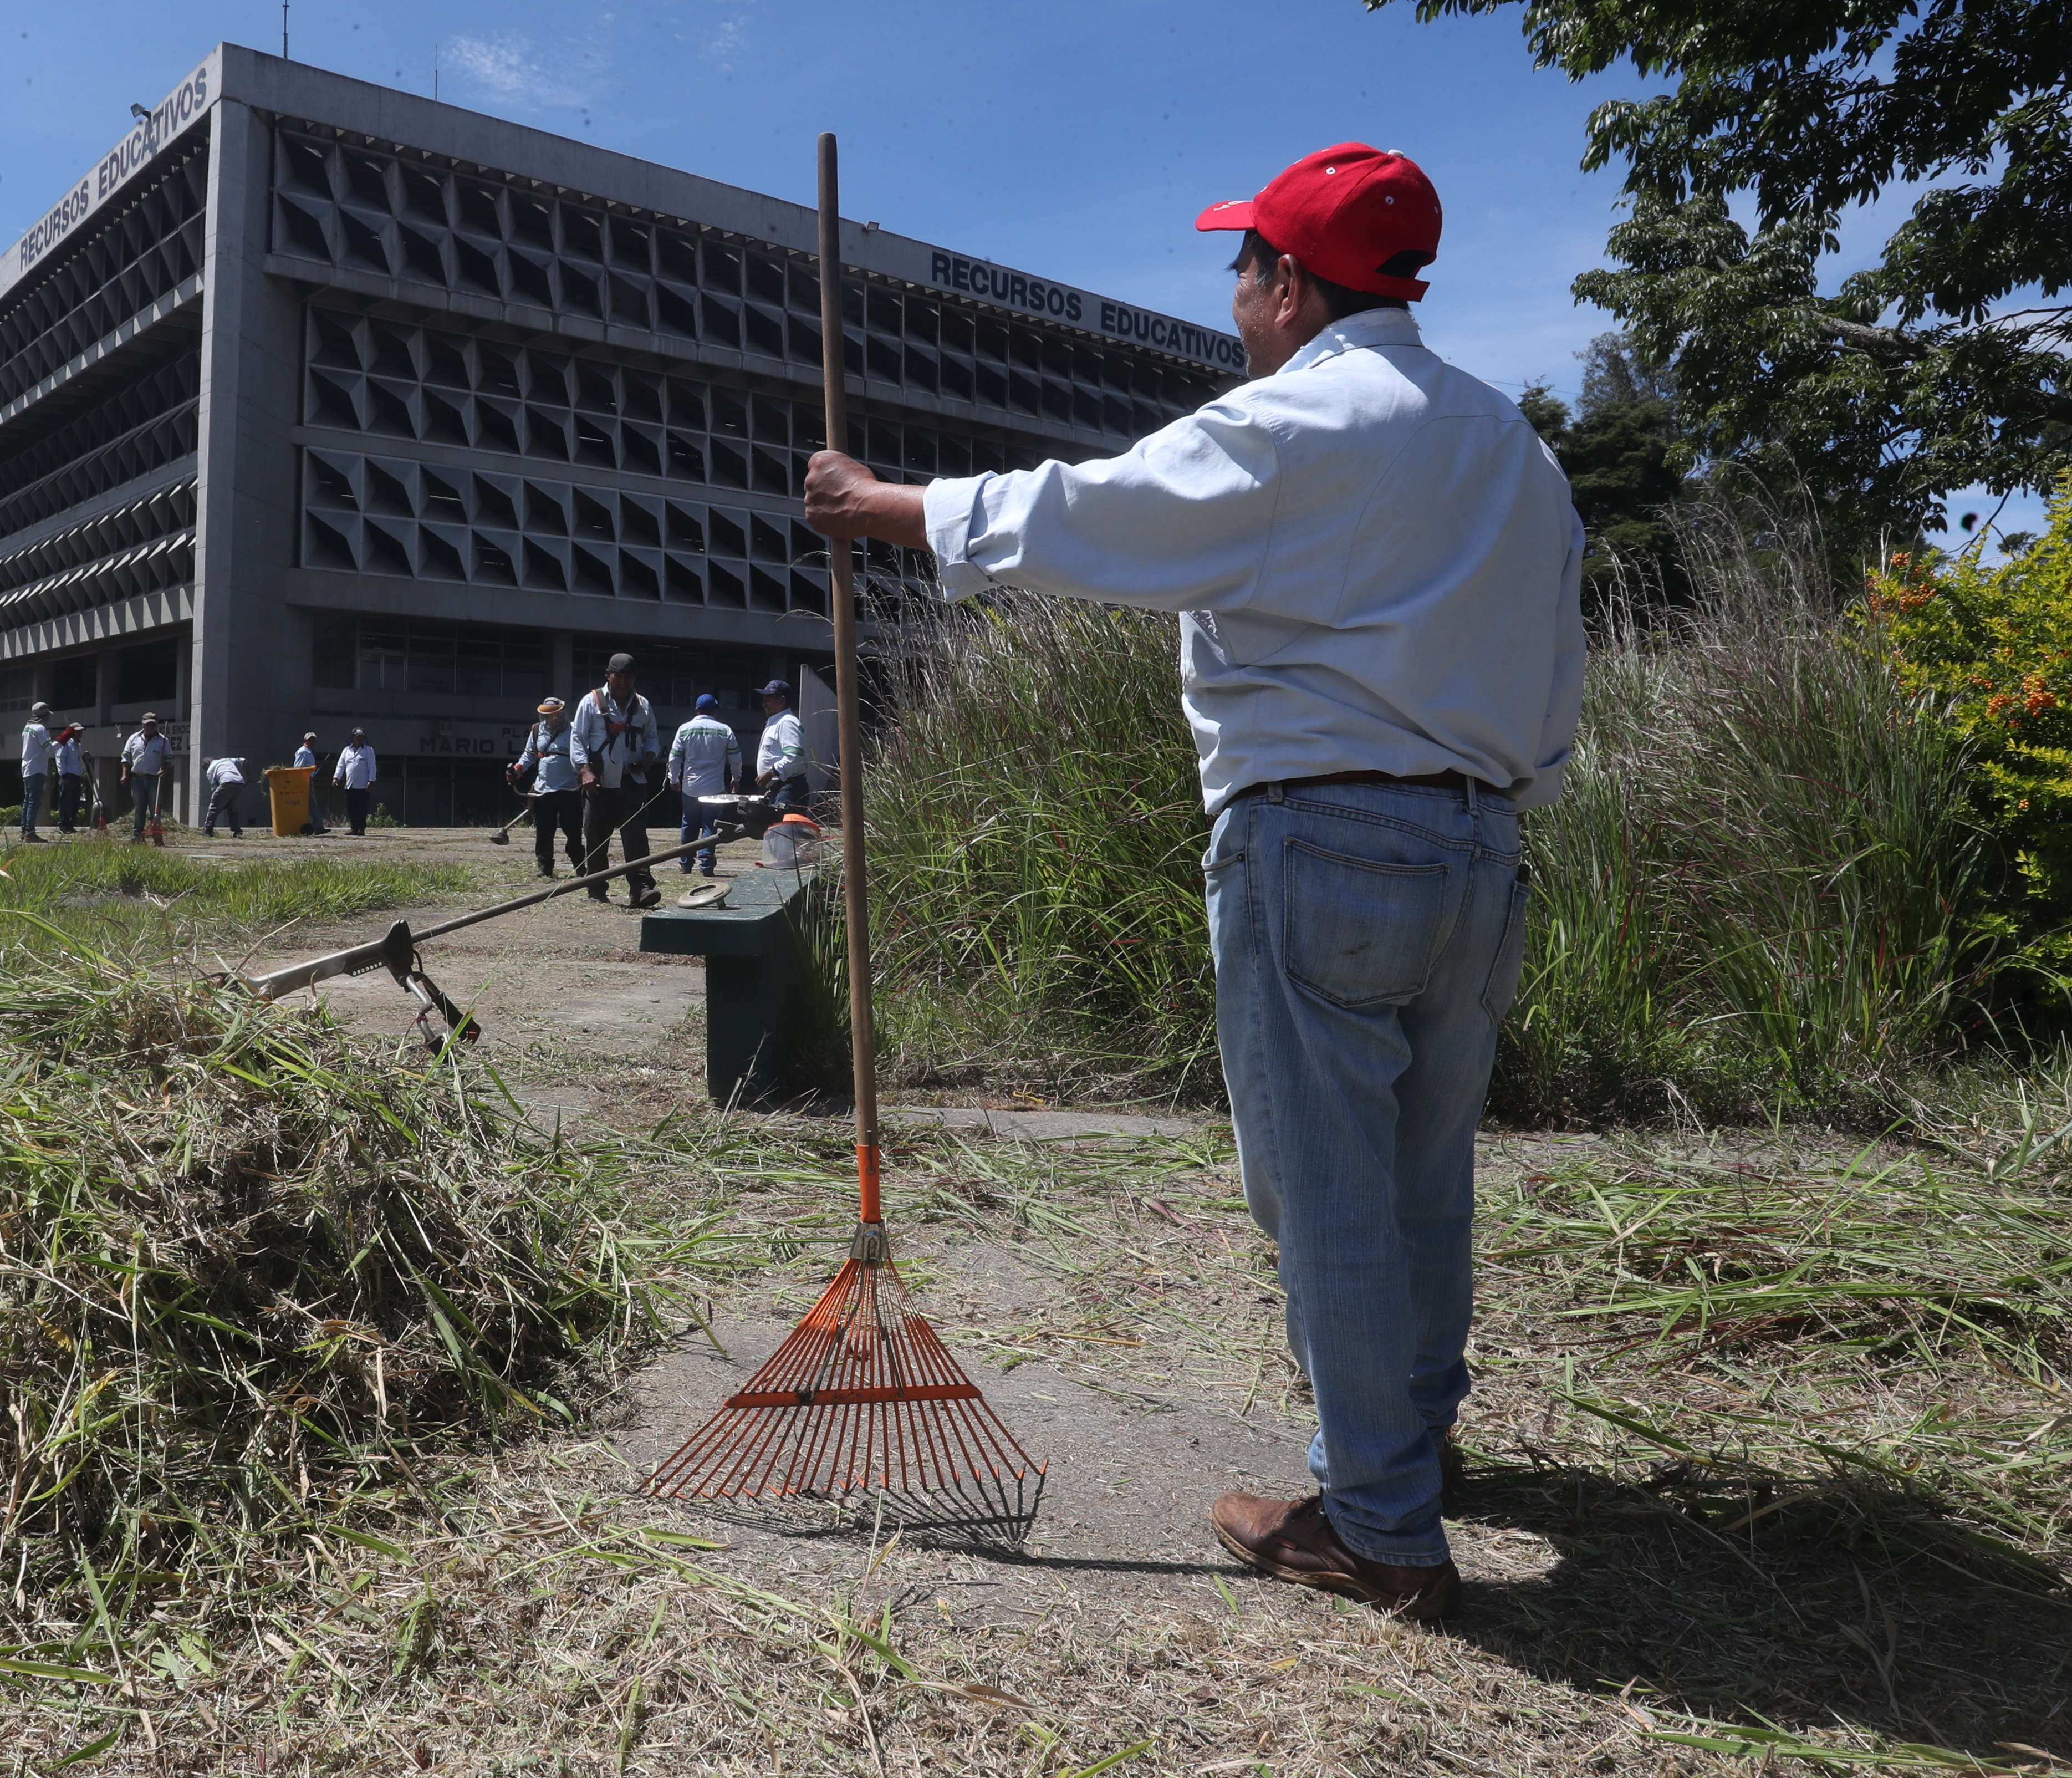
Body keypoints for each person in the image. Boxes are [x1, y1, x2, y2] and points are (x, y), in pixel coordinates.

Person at [804, 142, 1583, 1623]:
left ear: (1291, 282)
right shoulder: (1513, 447)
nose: (1233, 298)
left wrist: (890, 506)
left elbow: (1099, 514)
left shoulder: (1302, 423)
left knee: (1325, 1192)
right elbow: (1556, 672)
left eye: (1244, 268)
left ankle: (1380, 1525)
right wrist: (1505, 792)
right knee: (1423, 1174)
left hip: (1326, 836)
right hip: (1484, 840)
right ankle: (1408, 1446)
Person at [569, 653, 662, 909]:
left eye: (628, 677)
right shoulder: (591, 702)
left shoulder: (643, 705)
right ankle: (597, 888)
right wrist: (585, 771)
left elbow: (653, 737)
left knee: (635, 837)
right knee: (596, 836)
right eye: (618, 676)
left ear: (635, 678)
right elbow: (577, 739)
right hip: (600, 783)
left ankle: (641, 888)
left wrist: (649, 758)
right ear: (608, 675)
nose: (623, 682)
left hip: (633, 782)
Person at [667, 691, 742, 876]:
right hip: (715, 788)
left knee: (689, 824)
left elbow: (675, 757)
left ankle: (686, 864)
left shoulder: (684, 729)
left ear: (696, 710)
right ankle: (707, 866)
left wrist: (673, 778)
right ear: (714, 711)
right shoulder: (725, 730)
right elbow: (736, 758)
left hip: (690, 786)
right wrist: (737, 778)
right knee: (710, 826)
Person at [510, 697, 585, 878]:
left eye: (554, 715)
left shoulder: (576, 730)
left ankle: (581, 867)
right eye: (547, 715)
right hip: (544, 789)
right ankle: (545, 868)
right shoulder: (537, 730)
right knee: (544, 830)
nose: (551, 719)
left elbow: (584, 754)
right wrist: (517, 770)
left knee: (573, 830)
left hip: (569, 789)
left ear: (562, 713)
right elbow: (529, 756)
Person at [753, 679, 812, 814]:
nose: (764, 704)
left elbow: (795, 757)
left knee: (784, 832)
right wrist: (773, 787)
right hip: (782, 789)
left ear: (782, 701)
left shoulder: (787, 723)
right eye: (764, 700)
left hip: (790, 789)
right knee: (779, 832)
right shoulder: (777, 722)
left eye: (768, 699)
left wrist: (771, 773)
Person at [122, 712, 175, 842]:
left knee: (155, 809)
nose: (150, 727)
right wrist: (124, 774)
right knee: (139, 808)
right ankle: (138, 836)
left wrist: (166, 769)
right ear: (143, 725)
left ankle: (157, 836)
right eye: (147, 725)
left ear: (156, 725)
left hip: (154, 780)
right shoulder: (134, 738)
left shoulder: (163, 741)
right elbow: (126, 758)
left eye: (152, 725)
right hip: (137, 779)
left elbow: (169, 758)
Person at [16, 701, 53, 843]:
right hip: (37, 769)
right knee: (34, 802)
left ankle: (25, 831)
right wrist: (63, 739)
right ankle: (30, 833)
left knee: (28, 801)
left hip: (27, 768)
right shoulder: (41, 729)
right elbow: (49, 748)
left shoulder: (27, 728)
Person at [334, 728, 379, 834]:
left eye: (361, 737)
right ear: (353, 738)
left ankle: (361, 828)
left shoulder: (368, 750)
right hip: (350, 784)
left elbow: (372, 767)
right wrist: (336, 778)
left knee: (362, 808)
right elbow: (341, 766)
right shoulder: (346, 751)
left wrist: (371, 781)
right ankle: (354, 828)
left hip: (363, 785)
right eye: (357, 737)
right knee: (351, 808)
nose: (359, 739)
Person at [53, 722, 89, 835]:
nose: (80, 734)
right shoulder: (66, 744)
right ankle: (63, 825)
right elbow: (60, 760)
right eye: (78, 731)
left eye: (81, 731)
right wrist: (64, 776)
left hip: (77, 776)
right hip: (68, 776)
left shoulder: (78, 745)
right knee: (66, 802)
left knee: (75, 802)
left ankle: (71, 825)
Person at [201, 753, 248, 836]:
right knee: (234, 809)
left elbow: (216, 790)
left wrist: (221, 804)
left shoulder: (210, 771)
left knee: (214, 808)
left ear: (207, 764)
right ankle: (237, 831)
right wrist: (249, 776)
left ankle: (208, 830)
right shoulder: (228, 760)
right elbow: (244, 761)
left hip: (226, 784)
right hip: (240, 784)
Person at [291, 732, 325, 834]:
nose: (312, 742)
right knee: (312, 804)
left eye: (314, 740)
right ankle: (318, 827)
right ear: (305, 741)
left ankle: (317, 826)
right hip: (304, 781)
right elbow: (298, 768)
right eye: (310, 740)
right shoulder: (303, 752)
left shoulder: (310, 752)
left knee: (311, 804)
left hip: (309, 780)